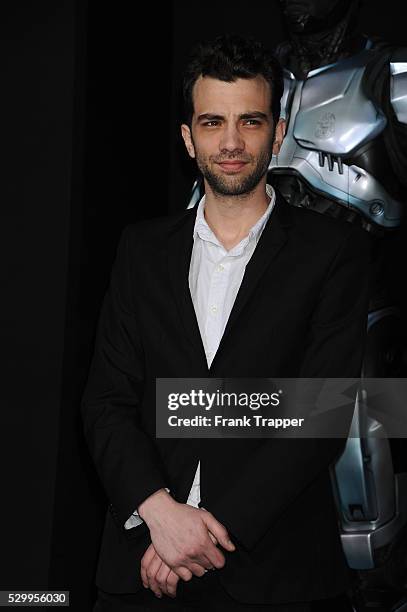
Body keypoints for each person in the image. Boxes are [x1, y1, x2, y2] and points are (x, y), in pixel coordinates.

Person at [82, 34, 370, 611]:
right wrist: (161, 513)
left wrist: (202, 533)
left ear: (279, 134)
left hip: (278, 573)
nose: (232, 142)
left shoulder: (333, 251)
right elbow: (106, 402)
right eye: (213, 122)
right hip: (143, 568)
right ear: (189, 138)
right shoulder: (140, 251)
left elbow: (322, 412)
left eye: (251, 121)